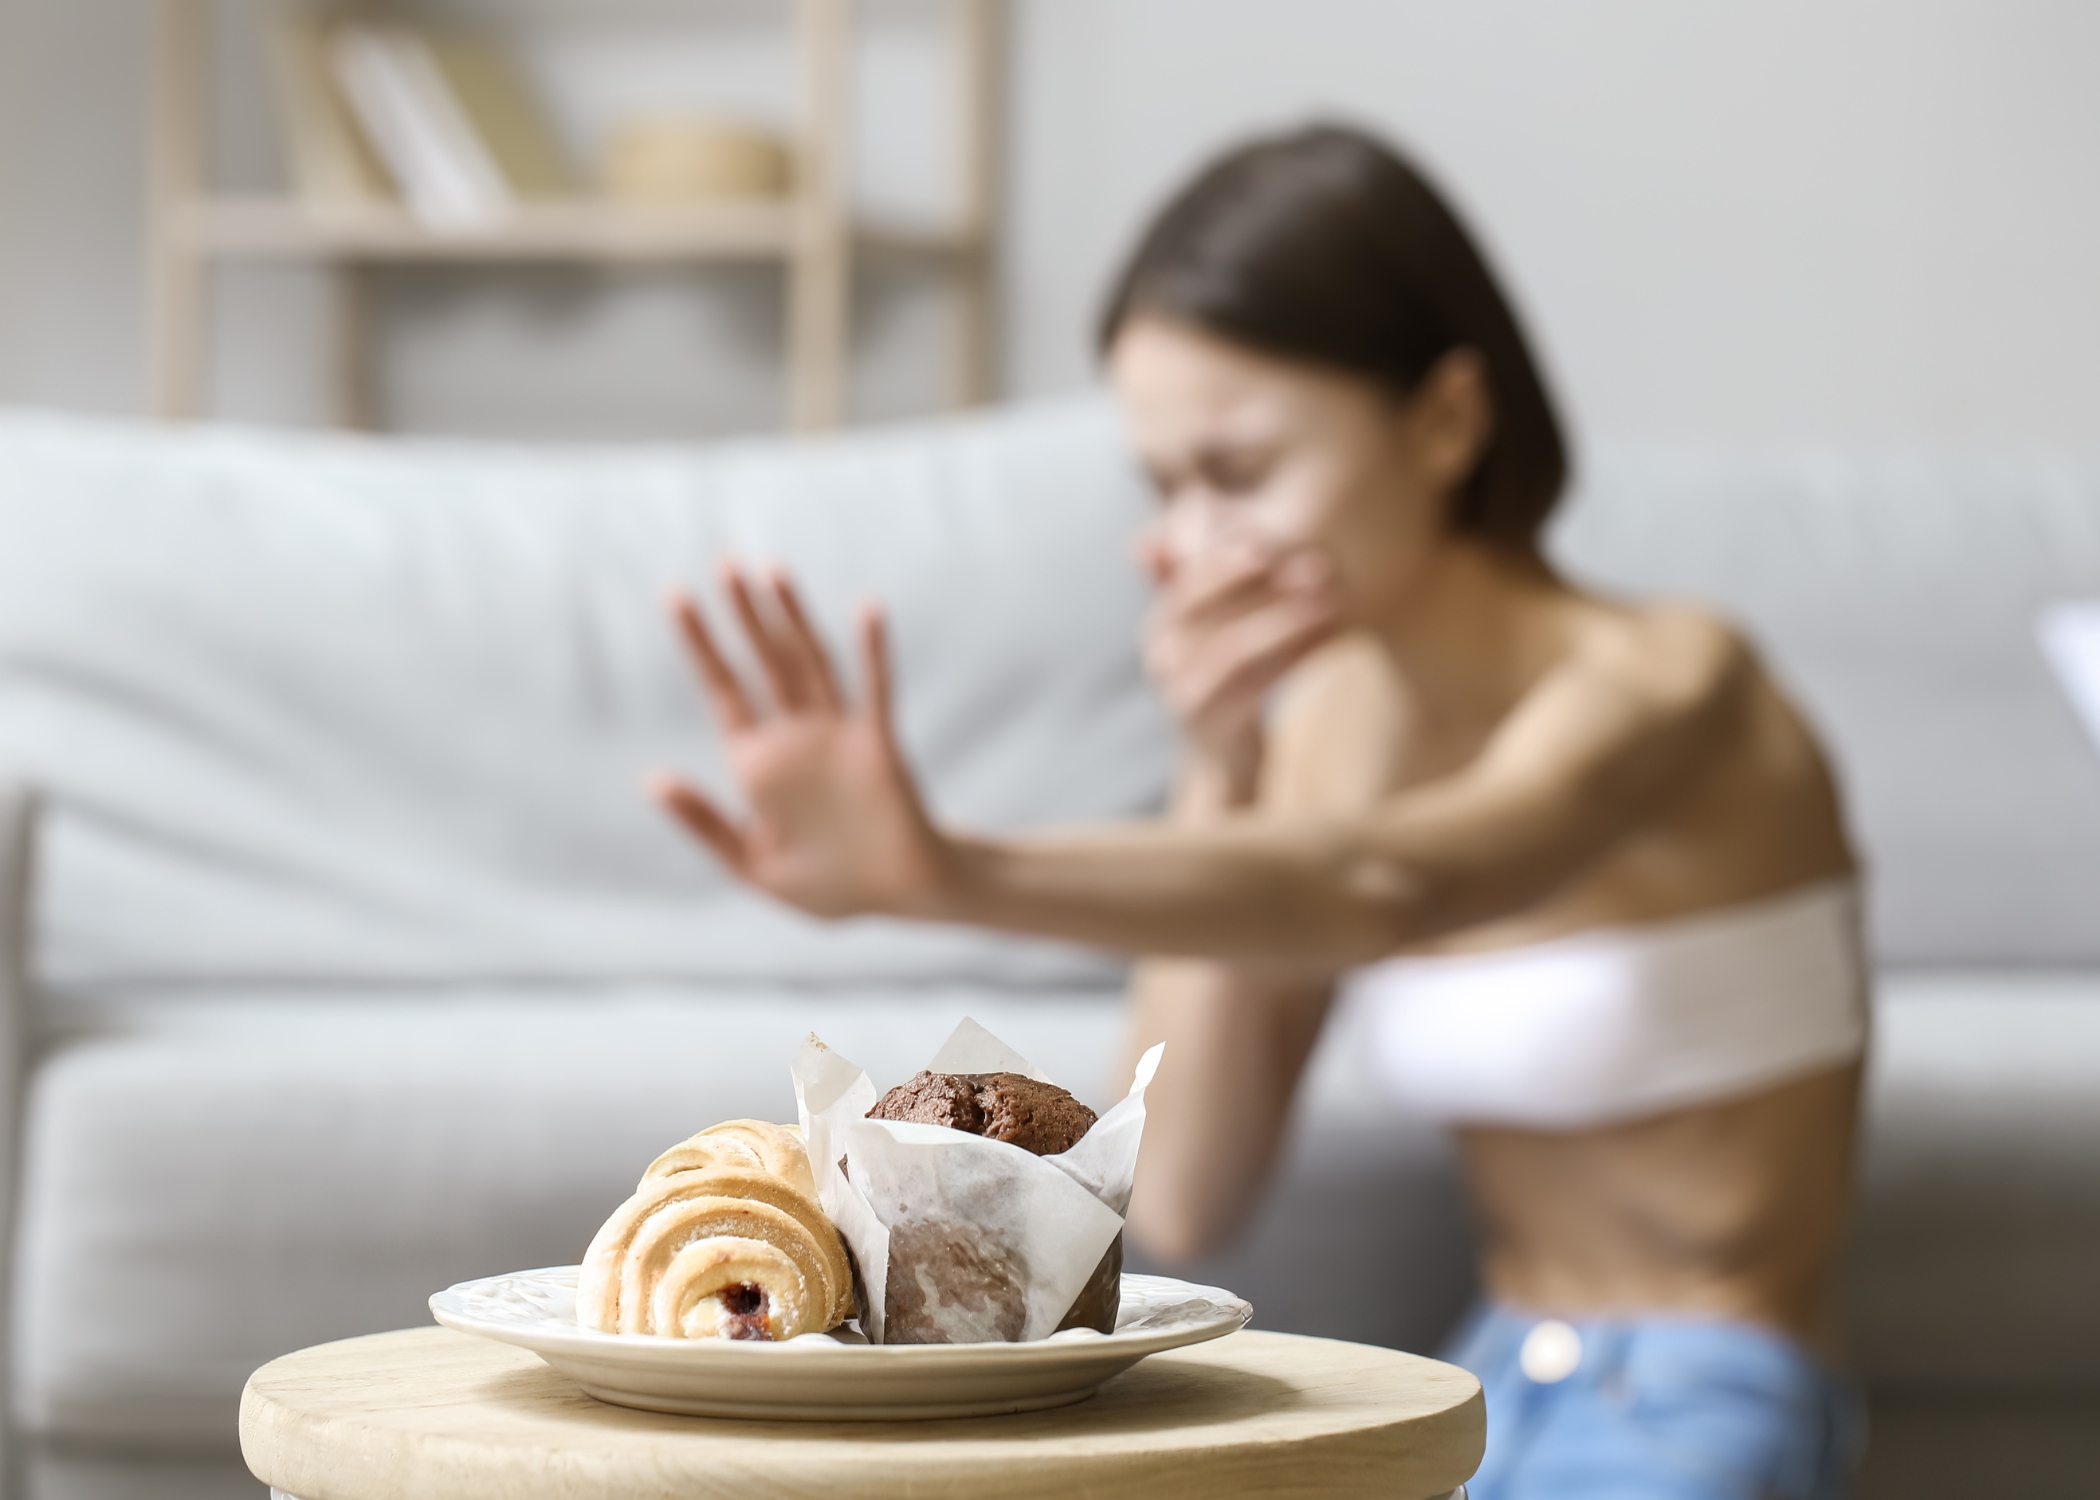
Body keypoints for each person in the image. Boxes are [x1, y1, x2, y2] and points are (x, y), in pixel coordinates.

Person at [646, 125, 1867, 1500]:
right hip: (1481, 1379)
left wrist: (940, 869)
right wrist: (1218, 762)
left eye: (1234, 473)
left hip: (1699, 1397)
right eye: (1160, 489)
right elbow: (1193, 1194)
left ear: (1451, 423)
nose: (1176, 546)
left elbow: (1385, 886)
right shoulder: (1339, 724)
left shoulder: (1674, 683)